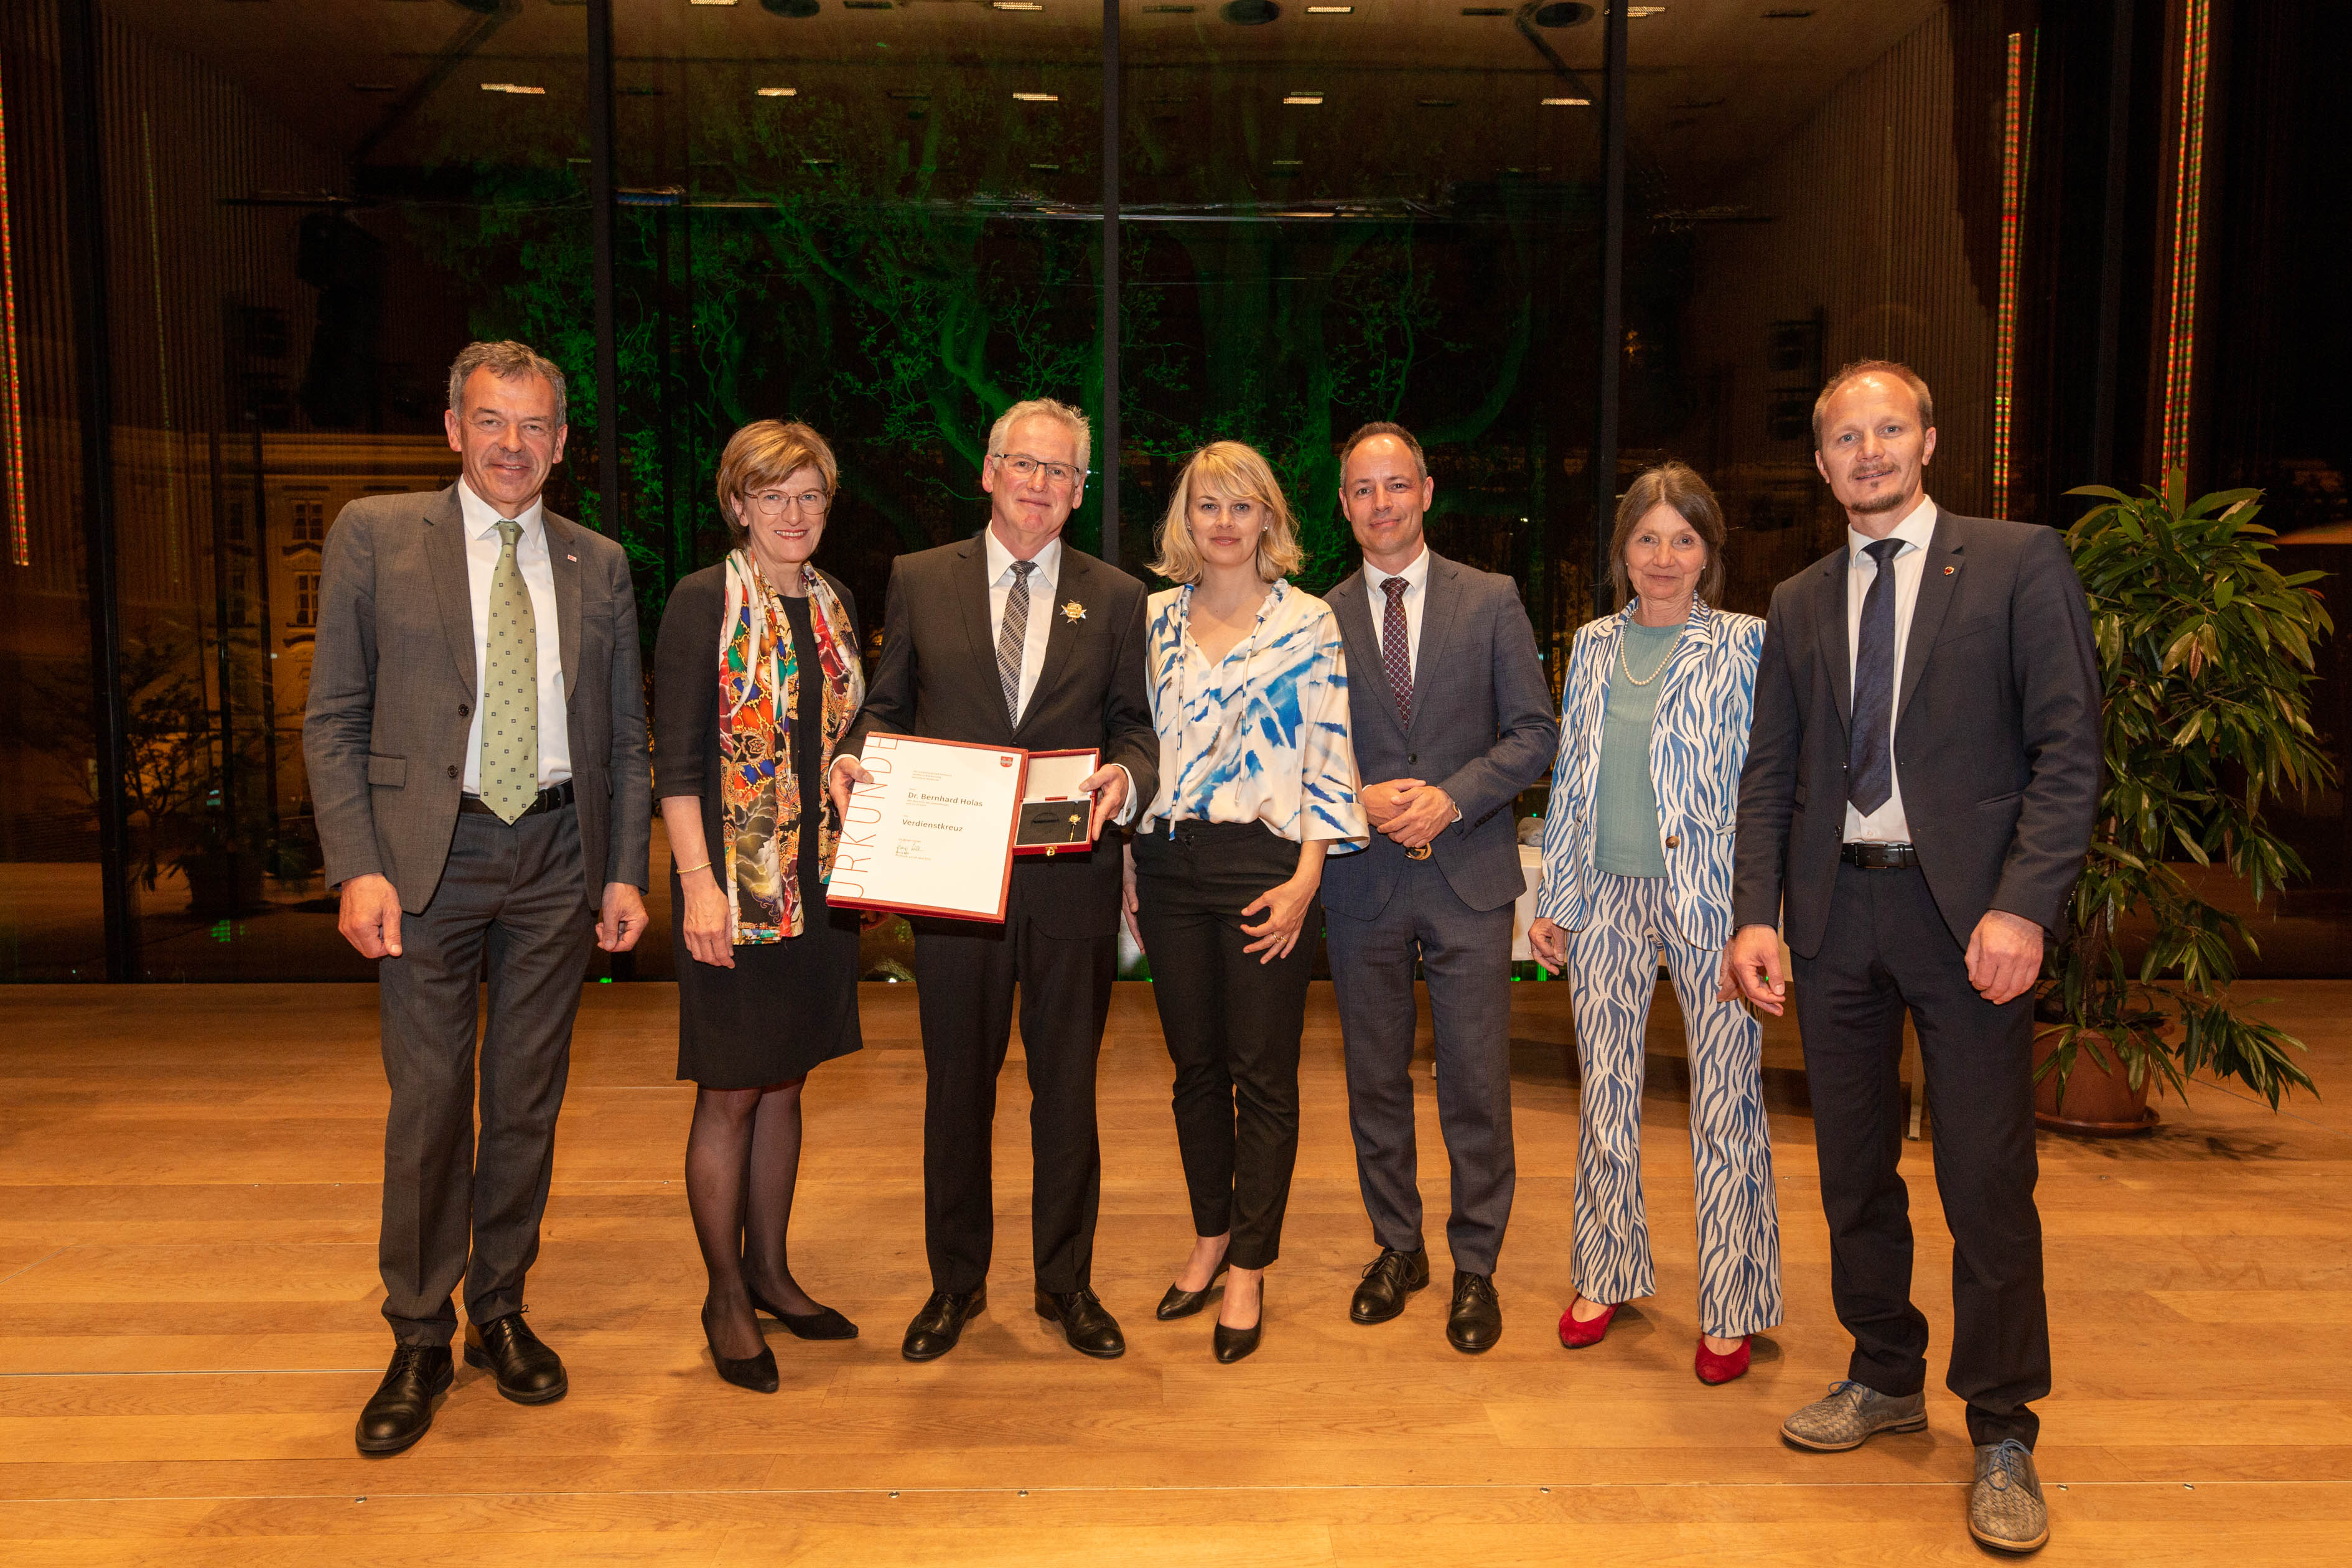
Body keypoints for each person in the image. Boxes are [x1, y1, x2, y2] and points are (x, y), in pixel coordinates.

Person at [1723, 361, 2100, 1554]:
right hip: (1837, 921)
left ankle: (2001, 1428)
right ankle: (1885, 1373)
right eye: (1845, 436)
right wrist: (1754, 914)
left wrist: (2024, 907)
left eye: (1889, 429)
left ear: (1930, 441)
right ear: (1822, 462)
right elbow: (1770, 775)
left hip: (1968, 922)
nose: (1868, 451)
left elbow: (2067, 750)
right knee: (1854, 1175)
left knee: (1987, 1186)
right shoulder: (1796, 600)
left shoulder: (2017, 560)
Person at [305, 340, 651, 1455]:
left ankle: (500, 1308)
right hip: (425, 858)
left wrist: (624, 866)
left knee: (526, 1101)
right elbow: (334, 718)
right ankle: (418, 1333)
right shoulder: (373, 533)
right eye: (493, 422)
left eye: (537, 425)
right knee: (428, 1103)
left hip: (557, 854)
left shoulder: (599, 562)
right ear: (454, 429)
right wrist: (357, 860)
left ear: (561, 440)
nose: (515, 445)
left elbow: (626, 738)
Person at [828, 398, 1158, 1363]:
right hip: (953, 882)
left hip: (1069, 883)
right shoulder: (921, 579)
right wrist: (855, 757)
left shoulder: (1117, 595)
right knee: (956, 1092)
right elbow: (886, 710)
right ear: (989, 470)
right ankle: (954, 1286)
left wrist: (1126, 776)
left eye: (1062, 473)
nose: (1040, 484)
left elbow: (1134, 724)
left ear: (1078, 492)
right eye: (1025, 464)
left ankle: (1067, 1285)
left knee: (1067, 1093)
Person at [1528, 462, 1780, 1386]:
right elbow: (1573, 776)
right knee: (1606, 1097)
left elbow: (1769, 788)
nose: (1663, 557)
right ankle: (1606, 1273)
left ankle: (1736, 1300)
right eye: (1646, 538)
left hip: (1712, 903)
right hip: (1603, 897)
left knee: (1725, 1104)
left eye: (1683, 539)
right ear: (1621, 551)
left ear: (1709, 552)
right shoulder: (1592, 644)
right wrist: (1554, 896)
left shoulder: (1748, 644)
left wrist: (1763, 911)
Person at [1122, 442, 1366, 1365]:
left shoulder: (1310, 624)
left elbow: (1330, 754)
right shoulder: (1146, 621)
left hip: (1268, 865)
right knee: (1194, 1069)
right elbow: (1129, 746)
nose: (1223, 523)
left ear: (1270, 518)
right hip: (1168, 861)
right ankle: (1211, 1232)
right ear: (1184, 522)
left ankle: (1251, 1266)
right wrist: (1127, 865)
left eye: (1242, 506)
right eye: (1205, 507)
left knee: (1263, 1073)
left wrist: (1310, 876)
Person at [1320, 422, 1558, 1354]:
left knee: (1474, 1082)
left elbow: (1535, 733)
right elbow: (1299, 747)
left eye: (1396, 485)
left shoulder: (1492, 600)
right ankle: (1397, 1249)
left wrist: (1451, 800)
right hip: (1363, 881)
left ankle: (1475, 1266)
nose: (1381, 503)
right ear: (1344, 506)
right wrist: (1360, 797)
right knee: (1373, 1079)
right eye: (1362, 490)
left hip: (1468, 876)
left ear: (1427, 489)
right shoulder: (1316, 615)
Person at [653, 421, 866, 1394]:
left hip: (819, 885)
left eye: (810, 495)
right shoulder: (704, 601)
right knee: (733, 1088)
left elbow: (851, 739)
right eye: (772, 495)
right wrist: (695, 882)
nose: (794, 513)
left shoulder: (837, 604)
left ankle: (775, 1271)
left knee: (788, 1082)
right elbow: (678, 758)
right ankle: (726, 1294)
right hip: (731, 886)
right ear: (737, 504)